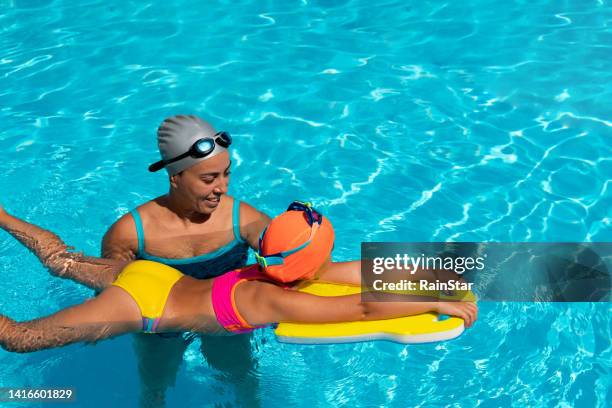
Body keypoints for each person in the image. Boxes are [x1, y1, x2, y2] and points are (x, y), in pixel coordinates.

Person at [0, 203, 477, 356]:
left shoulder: (277, 269)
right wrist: (438, 305)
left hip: (154, 276)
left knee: (63, 259)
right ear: (310, 261)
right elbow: (363, 307)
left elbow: (360, 275)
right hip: (143, 307)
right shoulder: (276, 302)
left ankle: (4, 215)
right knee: (19, 339)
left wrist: (433, 278)